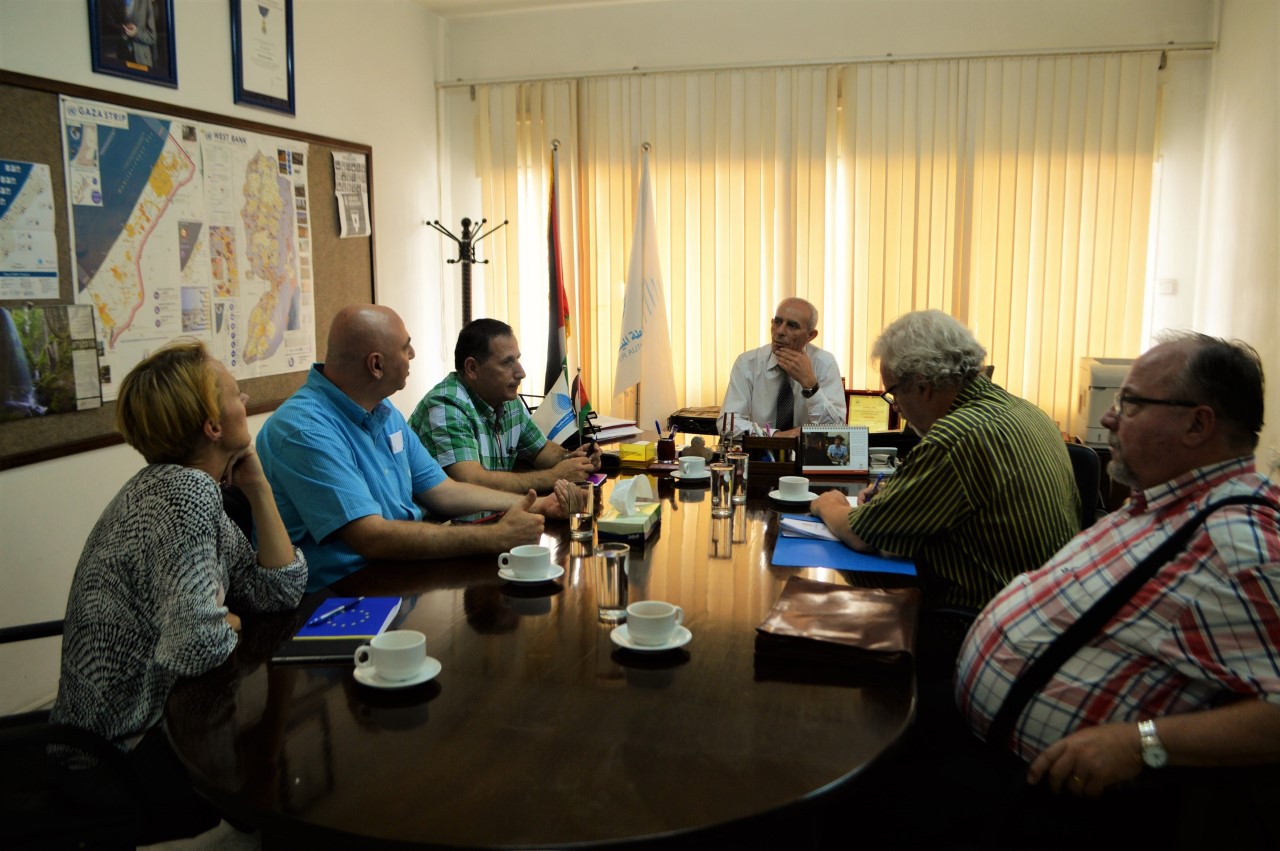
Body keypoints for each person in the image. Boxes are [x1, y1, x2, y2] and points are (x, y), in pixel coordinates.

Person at [956, 333, 1280, 800]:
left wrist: (1140, 743)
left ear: (1197, 424)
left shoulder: (1240, 545)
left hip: (1046, 799)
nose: (1109, 417)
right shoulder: (1165, 500)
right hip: (987, 750)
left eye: (1130, 404)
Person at [52, 340, 307, 842]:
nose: (246, 399)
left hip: (112, 735)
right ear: (212, 425)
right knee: (273, 761)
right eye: (235, 394)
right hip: (114, 756)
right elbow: (197, 646)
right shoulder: (183, 494)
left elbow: (278, 590)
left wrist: (258, 486)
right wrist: (226, 620)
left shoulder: (181, 486)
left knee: (269, 741)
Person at [257, 305, 569, 592]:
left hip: (398, 572)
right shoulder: (304, 429)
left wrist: (535, 505)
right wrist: (495, 537)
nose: (413, 353)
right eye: (405, 347)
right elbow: (372, 538)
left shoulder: (383, 411)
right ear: (376, 365)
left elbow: (444, 491)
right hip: (340, 597)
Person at [810, 310, 1079, 617]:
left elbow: (862, 534)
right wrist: (899, 496)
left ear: (923, 386)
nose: (896, 407)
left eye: (893, 393)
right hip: (1048, 609)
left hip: (979, 621)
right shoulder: (1027, 411)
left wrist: (826, 503)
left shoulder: (954, 438)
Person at [407, 318, 600, 494]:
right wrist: (553, 476)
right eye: (507, 362)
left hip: (497, 514)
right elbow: (471, 482)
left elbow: (540, 450)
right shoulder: (446, 405)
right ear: (472, 368)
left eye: (517, 359)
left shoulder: (507, 399)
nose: (521, 373)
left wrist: (575, 459)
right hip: (450, 520)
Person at [719, 297, 845, 437]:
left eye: (792, 325)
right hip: (761, 449)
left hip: (805, 451)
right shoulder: (748, 363)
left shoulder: (824, 363)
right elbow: (727, 424)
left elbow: (837, 431)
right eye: (777, 322)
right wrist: (775, 436)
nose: (780, 331)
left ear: (810, 335)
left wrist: (810, 385)